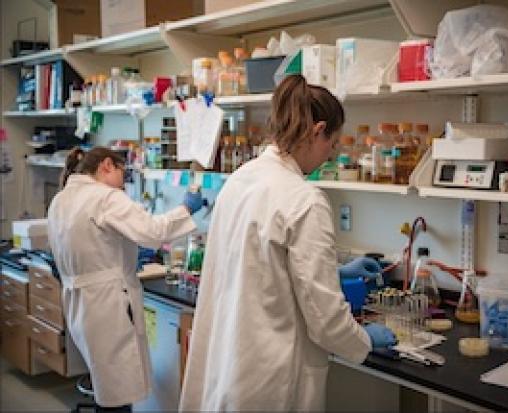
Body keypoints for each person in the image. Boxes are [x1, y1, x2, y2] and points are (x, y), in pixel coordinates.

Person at [179, 75, 397, 412]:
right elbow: (326, 319)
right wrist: (365, 340)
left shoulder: (240, 180)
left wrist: (334, 272)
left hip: (230, 364)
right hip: (271, 380)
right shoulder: (304, 199)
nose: (330, 154)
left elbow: (259, 268)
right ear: (316, 131)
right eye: (332, 143)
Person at [47, 147, 204, 411]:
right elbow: (155, 231)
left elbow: (94, 243)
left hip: (82, 304)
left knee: (108, 387)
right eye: (124, 173)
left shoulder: (61, 199)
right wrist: (187, 208)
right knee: (117, 394)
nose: (125, 183)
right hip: (109, 305)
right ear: (107, 165)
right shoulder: (106, 197)